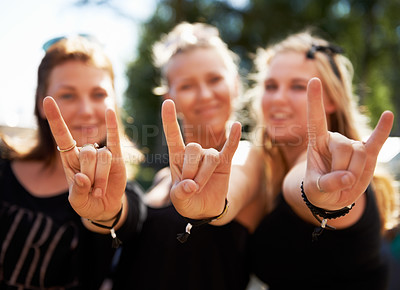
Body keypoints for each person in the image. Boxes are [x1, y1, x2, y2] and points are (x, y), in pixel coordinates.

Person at [163, 30, 398, 290]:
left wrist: (321, 196)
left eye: (298, 86)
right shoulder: (263, 165)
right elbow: (235, 185)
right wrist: (211, 207)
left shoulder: (337, 176)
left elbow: (301, 185)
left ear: (331, 100)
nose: (278, 98)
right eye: (271, 86)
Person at [110, 22, 262, 290]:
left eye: (215, 79)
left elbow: (231, 192)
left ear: (235, 84)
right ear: (171, 97)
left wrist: (215, 207)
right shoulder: (162, 177)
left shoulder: (249, 158)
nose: (205, 95)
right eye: (188, 86)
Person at [0, 35, 144, 289]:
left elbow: (118, 216)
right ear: (41, 103)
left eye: (99, 94)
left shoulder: (124, 192)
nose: (86, 110)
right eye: (68, 95)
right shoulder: (3, 166)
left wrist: (103, 213)